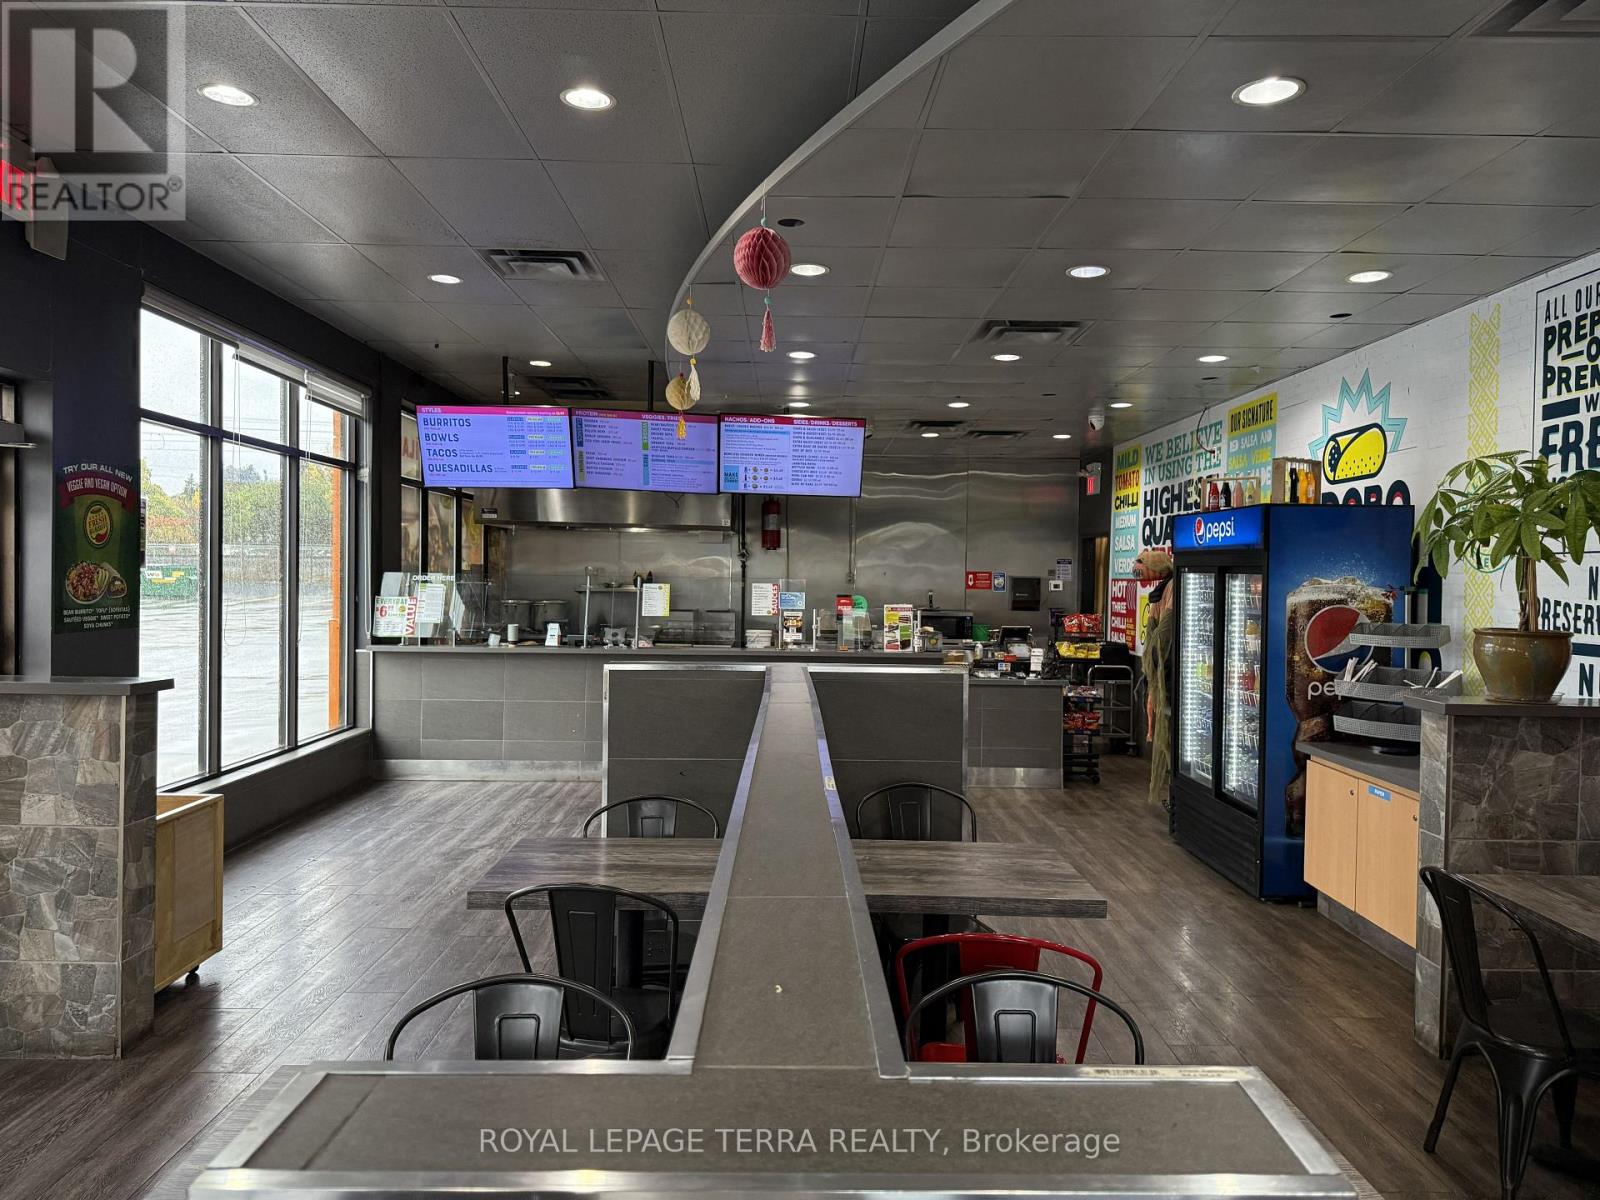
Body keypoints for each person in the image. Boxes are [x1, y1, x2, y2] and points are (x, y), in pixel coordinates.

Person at [1135, 548, 1176, 810]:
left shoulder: (1172, 587)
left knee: (1169, 734)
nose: (1138, 571)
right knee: (1165, 733)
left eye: (1142, 566)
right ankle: (1175, 792)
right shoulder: (1161, 590)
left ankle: (1177, 792)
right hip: (1161, 674)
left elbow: (1164, 634)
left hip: (1168, 674)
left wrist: (1153, 666)